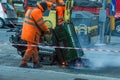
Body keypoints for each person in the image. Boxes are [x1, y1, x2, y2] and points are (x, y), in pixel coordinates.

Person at [19, 2, 50, 68]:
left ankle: (36, 63)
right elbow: (41, 24)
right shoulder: (37, 11)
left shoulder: (31, 9)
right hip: (32, 33)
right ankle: (23, 63)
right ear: (43, 7)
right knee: (30, 48)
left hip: (27, 32)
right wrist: (47, 30)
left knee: (34, 48)